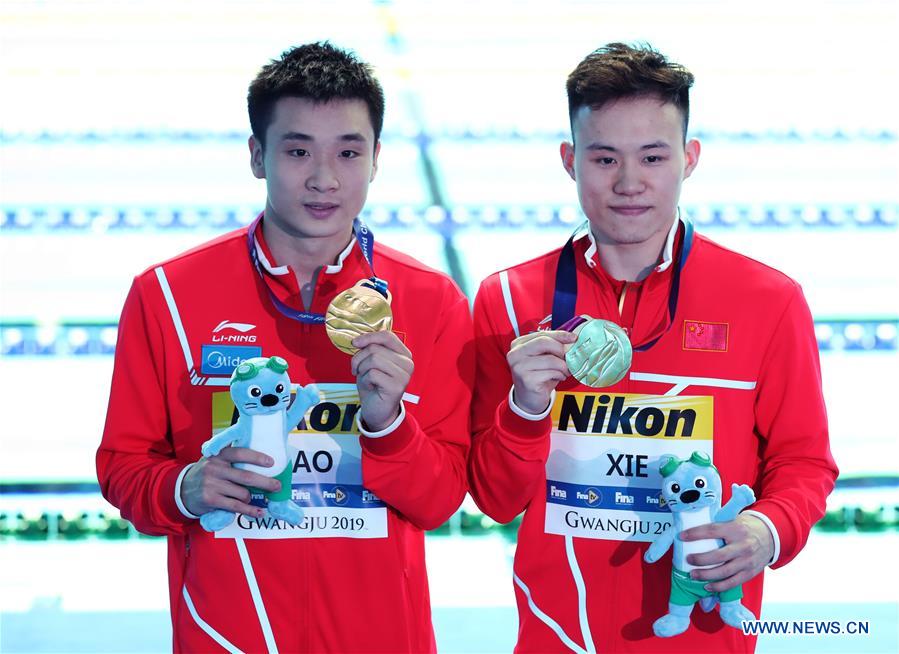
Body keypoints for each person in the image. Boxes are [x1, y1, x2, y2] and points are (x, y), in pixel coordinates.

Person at [97, 42, 473, 653]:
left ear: (376, 159)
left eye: (348, 152)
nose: (324, 178)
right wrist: (182, 487)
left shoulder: (432, 302)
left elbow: (440, 501)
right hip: (227, 636)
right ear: (257, 155)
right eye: (298, 151)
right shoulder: (166, 295)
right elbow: (123, 467)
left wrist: (388, 425)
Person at [468, 43, 837, 653]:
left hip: (704, 634)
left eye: (653, 156)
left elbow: (804, 463)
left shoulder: (767, 301)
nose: (629, 182)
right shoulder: (508, 300)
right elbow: (495, 499)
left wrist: (766, 530)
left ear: (689, 159)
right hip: (557, 637)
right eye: (604, 158)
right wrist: (525, 408)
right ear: (570, 161)